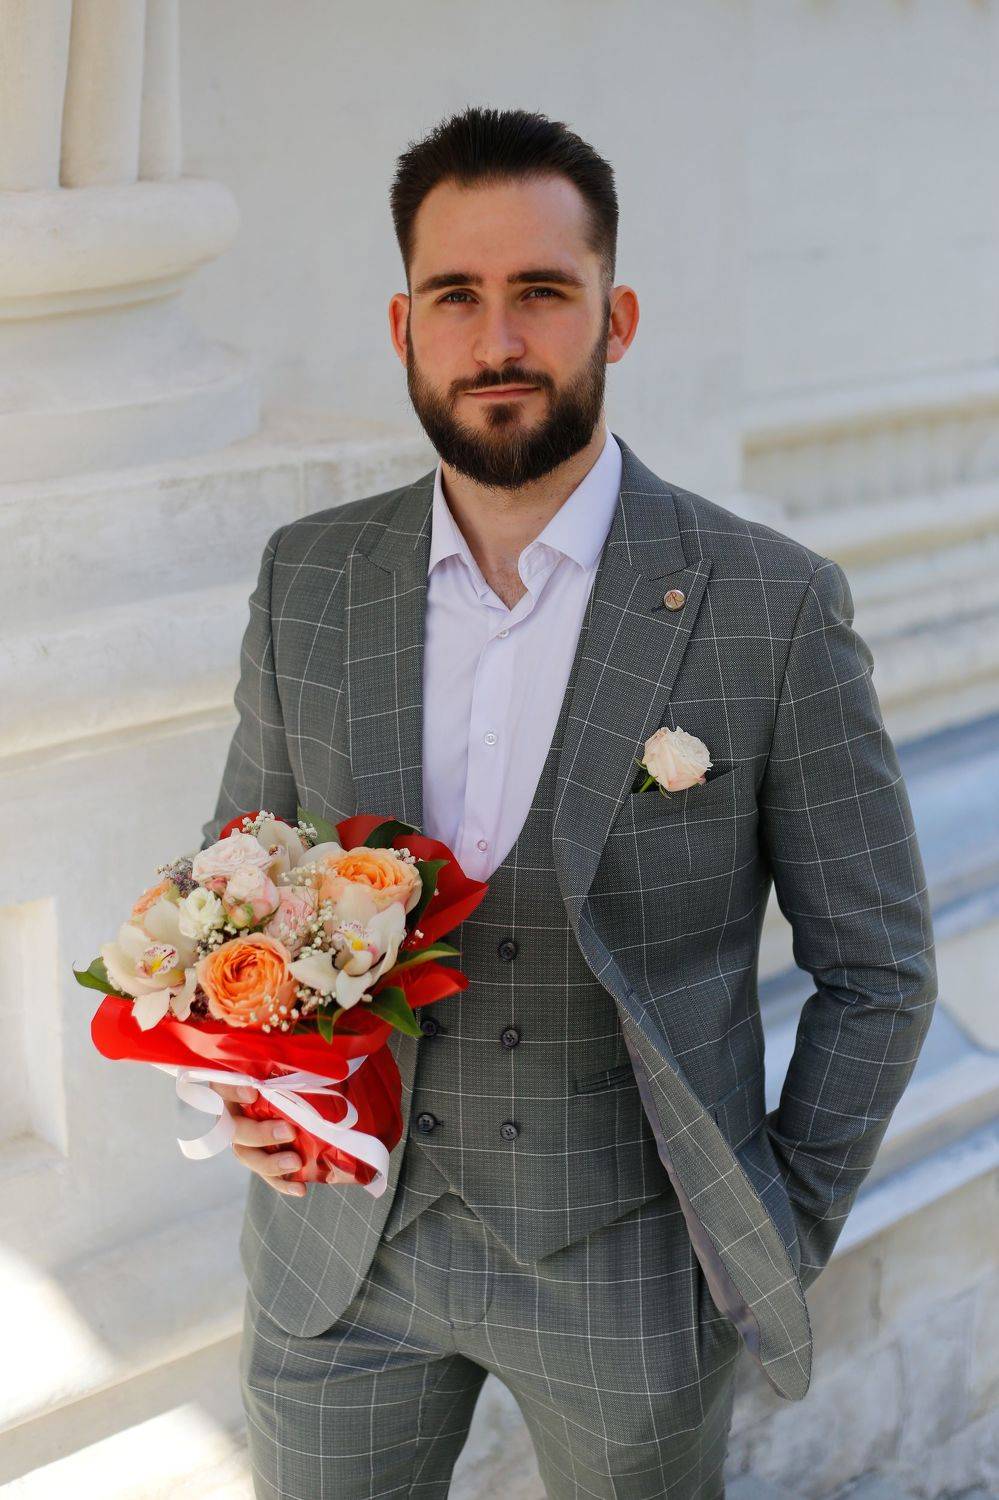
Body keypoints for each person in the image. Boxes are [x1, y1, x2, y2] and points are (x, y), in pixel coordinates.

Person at [198, 105, 937, 1500]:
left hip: (631, 1275)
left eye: (542, 290)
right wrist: (249, 1079)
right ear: (403, 325)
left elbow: (880, 970)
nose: (498, 339)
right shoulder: (309, 578)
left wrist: (767, 1229)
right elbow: (234, 879)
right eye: (455, 296)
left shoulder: (768, 605)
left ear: (618, 316)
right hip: (338, 1258)